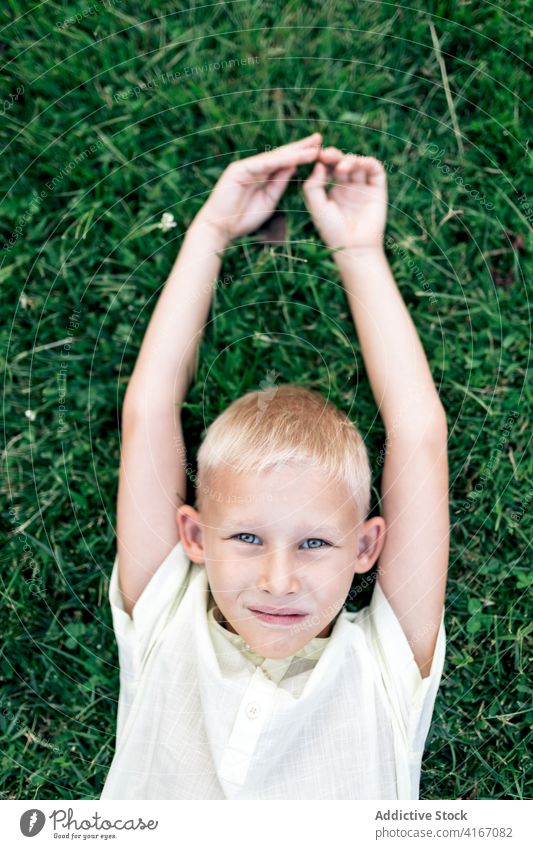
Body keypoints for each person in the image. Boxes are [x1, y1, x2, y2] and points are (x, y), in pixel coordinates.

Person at [100, 132, 449, 800]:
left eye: (315, 541)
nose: (278, 578)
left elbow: (420, 433)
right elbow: (147, 410)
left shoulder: (380, 664)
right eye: (247, 536)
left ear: (367, 544)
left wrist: (359, 250)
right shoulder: (166, 621)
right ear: (194, 536)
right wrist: (209, 229)